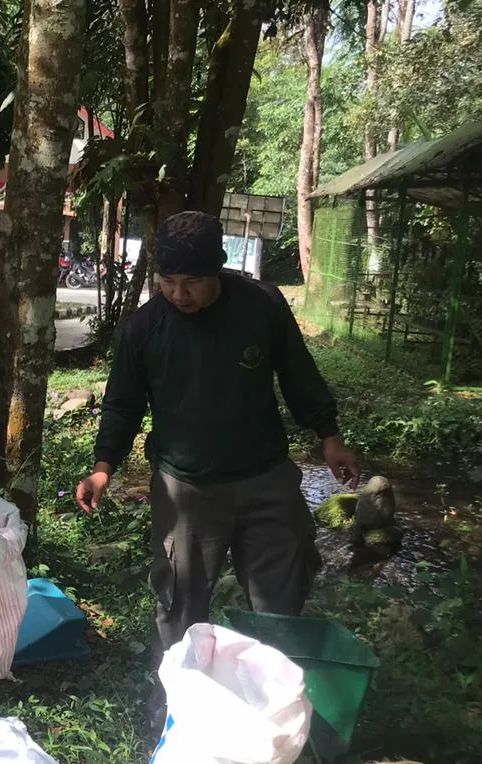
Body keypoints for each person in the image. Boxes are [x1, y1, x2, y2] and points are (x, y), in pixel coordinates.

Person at [76, 210, 360, 657]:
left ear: (219, 267)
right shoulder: (144, 328)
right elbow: (122, 405)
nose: (179, 294)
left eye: (191, 282)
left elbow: (297, 373)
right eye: (168, 281)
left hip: (266, 481)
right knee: (180, 608)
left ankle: (270, 703)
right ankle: (180, 702)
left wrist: (330, 435)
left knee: (280, 606)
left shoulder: (262, 305)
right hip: (185, 490)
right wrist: (102, 468)